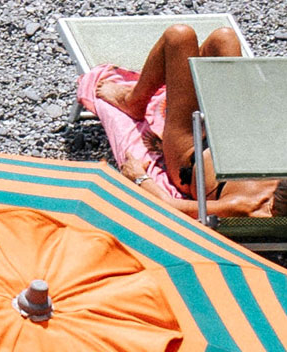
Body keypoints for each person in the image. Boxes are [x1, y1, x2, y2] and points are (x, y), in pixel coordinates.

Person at [86, 23, 281, 216]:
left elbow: (171, 206)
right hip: (239, 132)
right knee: (224, 38)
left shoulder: (248, 206)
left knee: (178, 37)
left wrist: (139, 177)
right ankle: (192, 76)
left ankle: (134, 101)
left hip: (194, 150)